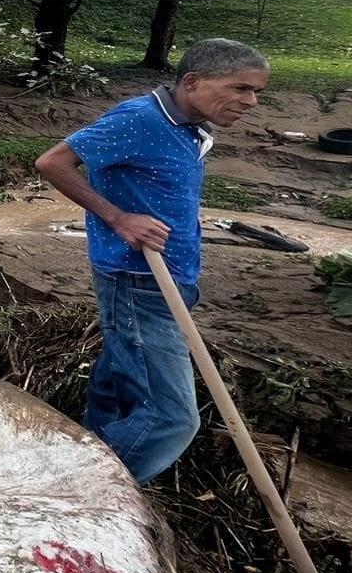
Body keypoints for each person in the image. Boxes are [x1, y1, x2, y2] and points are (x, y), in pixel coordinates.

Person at [35, 38, 269, 485]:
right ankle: (80, 495)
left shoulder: (190, 126)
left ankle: (87, 452)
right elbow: (53, 163)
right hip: (139, 281)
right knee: (173, 418)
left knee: (114, 387)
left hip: (171, 278)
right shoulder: (140, 118)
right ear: (194, 81)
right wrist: (119, 217)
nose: (251, 101)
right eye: (240, 88)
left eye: (256, 91)